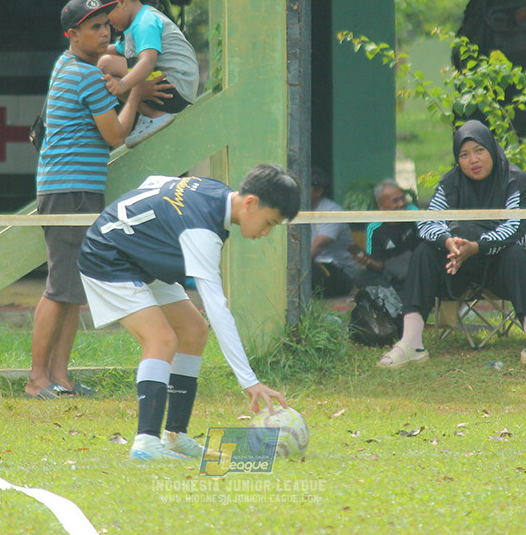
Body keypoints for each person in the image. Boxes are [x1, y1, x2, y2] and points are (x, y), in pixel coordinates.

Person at [77, 164, 300, 461]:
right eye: (269, 222)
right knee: (162, 339)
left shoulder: (215, 190)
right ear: (250, 203)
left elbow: (155, 181)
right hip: (108, 255)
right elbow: (218, 309)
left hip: (140, 254)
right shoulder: (203, 231)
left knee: (194, 331)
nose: (266, 232)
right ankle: (145, 443)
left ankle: (175, 437)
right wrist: (250, 381)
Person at [26, 0, 173, 400]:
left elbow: (106, 57)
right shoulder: (87, 76)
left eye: (107, 23)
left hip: (68, 188)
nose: (105, 31)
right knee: (60, 288)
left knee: (72, 288)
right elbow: (116, 135)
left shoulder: (66, 64)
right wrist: (137, 94)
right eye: (94, 26)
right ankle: (38, 378)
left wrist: (115, 62)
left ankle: (61, 376)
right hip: (70, 191)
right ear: (72, 34)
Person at [376, 120, 526, 371]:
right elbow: (428, 224)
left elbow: (516, 227)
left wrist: (477, 246)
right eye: (464, 154)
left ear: (491, 149)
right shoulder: (450, 183)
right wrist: (450, 243)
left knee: (518, 254)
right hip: (456, 267)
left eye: (479, 150)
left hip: (501, 269)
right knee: (424, 252)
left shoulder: (515, 180)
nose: (473, 160)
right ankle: (410, 344)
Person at [91, 0, 199, 148]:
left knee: (105, 66)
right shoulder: (134, 25)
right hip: (171, 85)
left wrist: (123, 84)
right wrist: (83, 53)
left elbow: (148, 61)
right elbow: (114, 50)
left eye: (109, 21)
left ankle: (152, 116)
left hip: (175, 86)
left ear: (121, 1)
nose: (110, 27)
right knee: (101, 65)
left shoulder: (145, 22)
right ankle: (152, 115)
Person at [352, 179, 420, 296]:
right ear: (381, 206)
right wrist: (367, 261)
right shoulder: (375, 228)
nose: (401, 204)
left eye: (402, 198)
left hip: (415, 269)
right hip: (391, 276)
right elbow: (378, 265)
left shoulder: (413, 213)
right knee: (361, 276)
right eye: (395, 201)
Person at [309, 168, 358, 297]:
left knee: (305, 271)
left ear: (318, 191)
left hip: (340, 272)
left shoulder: (331, 212)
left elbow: (316, 249)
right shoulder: (298, 210)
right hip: (317, 265)